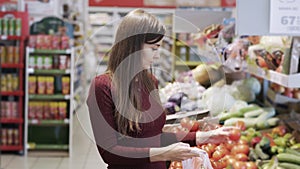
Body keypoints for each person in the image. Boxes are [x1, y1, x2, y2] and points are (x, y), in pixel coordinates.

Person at [87, 9, 233, 169]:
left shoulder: (150, 82)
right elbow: (109, 152)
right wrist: (163, 153)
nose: (156, 56)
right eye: (154, 48)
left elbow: (154, 137)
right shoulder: (102, 87)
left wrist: (202, 137)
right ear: (133, 46)